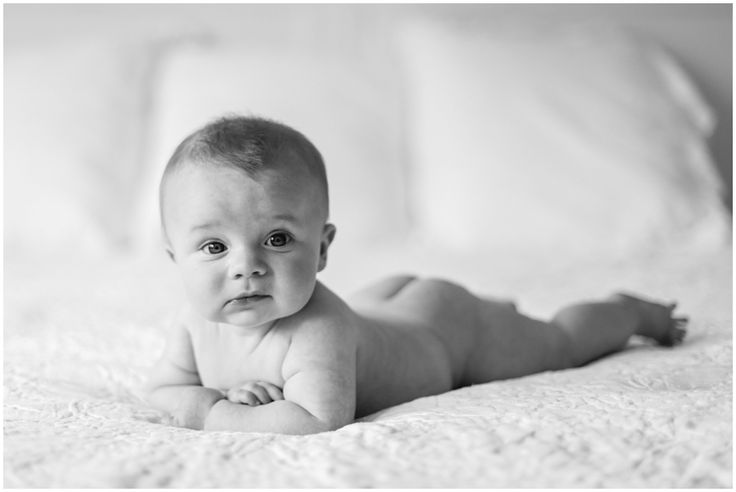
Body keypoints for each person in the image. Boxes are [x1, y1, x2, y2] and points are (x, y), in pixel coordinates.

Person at [143, 115, 687, 435]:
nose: (247, 265)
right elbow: (164, 388)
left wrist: (213, 409)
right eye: (214, 246)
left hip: (448, 335)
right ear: (174, 259)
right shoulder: (193, 321)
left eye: (278, 239)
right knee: (376, 312)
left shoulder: (318, 329)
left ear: (323, 249)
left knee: (559, 343)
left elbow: (313, 420)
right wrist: (222, 397)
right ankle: (494, 307)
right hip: (385, 308)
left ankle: (630, 310)